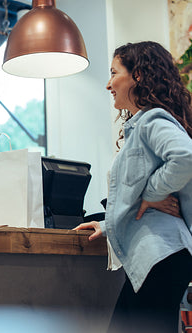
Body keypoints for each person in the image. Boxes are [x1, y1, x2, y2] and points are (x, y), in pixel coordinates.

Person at [74, 41, 192, 333]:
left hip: (161, 256)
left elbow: (186, 156)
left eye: (114, 73)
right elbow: (134, 193)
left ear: (137, 75)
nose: (108, 84)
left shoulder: (153, 119)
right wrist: (107, 224)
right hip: (159, 257)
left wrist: (150, 195)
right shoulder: (143, 125)